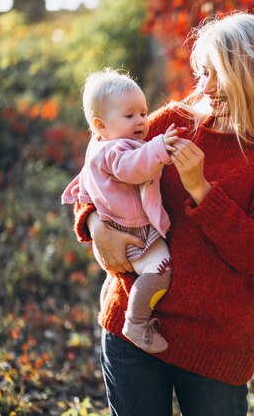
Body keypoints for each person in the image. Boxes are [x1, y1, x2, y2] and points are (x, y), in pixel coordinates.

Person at [68, 12, 254, 416]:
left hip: (215, 348)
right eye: (202, 73)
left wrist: (201, 189)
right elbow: (97, 170)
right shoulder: (175, 123)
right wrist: (94, 224)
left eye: (219, 75)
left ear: (252, 74)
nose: (206, 88)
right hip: (131, 324)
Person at [62, 69, 181, 354]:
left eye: (143, 112)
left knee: (126, 276)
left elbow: (85, 183)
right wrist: (159, 148)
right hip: (134, 232)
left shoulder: (98, 146)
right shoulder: (115, 150)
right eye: (129, 116)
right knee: (159, 272)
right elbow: (133, 168)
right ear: (100, 125)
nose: (141, 121)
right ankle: (136, 321)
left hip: (121, 227)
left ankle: (112, 298)